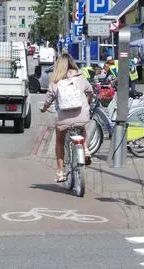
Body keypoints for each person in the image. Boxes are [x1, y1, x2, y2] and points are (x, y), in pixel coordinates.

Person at [40, 54, 93, 183]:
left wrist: (44, 108)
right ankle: (85, 149)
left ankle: (60, 172)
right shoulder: (80, 77)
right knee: (82, 127)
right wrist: (88, 101)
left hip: (63, 118)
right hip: (81, 115)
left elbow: (48, 99)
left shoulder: (55, 81)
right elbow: (90, 91)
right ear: (72, 63)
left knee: (59, 139)